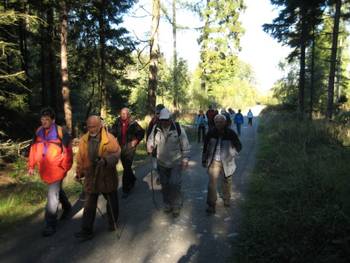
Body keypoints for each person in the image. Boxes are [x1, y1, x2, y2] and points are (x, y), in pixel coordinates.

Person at [28, 107, 73, 237]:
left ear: (52, 120)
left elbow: (68, 151)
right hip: (45, 169)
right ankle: (67, 206)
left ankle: (50, 225)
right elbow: (33, 148)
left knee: (52, 196)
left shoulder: (60, 131)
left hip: (58, 169)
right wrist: (31, 165)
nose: (44, 122)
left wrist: (64, 166)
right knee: (57, 190)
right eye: (42, 119)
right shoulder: (38, 131)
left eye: (46, 119)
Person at [75, 115, 121, 241]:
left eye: (94, 126)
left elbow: (116, 154)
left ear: (100, 125)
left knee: (112, 200)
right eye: (89, 126)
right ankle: (86, 230)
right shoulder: (84, 140)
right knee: (89, 204)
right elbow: (80, 158)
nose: (91, 129)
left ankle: (113, 223)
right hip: (91, 176)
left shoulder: (109, 138)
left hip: (106, 175)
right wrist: (79, 173)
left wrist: (106, 161)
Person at [147, 108, 190, 218]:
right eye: (162, 120)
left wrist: (185, 159)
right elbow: (150, 140)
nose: (164, 122)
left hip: (176, 161)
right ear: (160, 120)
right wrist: (150, 147)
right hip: (161, 162)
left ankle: (176, 206)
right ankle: (167, 204)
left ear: (170, 119)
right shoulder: (156, 128)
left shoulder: (178, 128)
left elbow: (185, 144)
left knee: (174, 184)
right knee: (165, 184)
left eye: (166, 119)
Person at [202, 114, 242, 214]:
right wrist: (204, 159)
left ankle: (226, 198)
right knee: (212, 184)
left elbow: (239, 146)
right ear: (214, 123)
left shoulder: (231, 133)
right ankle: (211, 205)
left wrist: (233, 153)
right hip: (214, 162)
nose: (218, 124)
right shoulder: (211, 133)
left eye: (221, 122)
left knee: (227, 182)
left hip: (227, 162)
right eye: (216, 122)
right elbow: (205, 147)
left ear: (225, 122)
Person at [111, 108, 145, 198]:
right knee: (126, 166)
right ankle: (132, 179)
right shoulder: (117, 122)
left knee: (126, 167)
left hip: (130, 146)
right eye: (122, 113)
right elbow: (113, 132)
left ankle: (126, 189)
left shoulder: (133, 123)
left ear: (128, 114)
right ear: (120, 114)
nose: (123, 115)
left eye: (125, 113)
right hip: (120, 147)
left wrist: (136, 140)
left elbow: (141, 132)